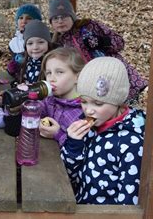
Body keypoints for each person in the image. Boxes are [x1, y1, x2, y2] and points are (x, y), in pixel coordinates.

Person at [60, 57, 146, 205]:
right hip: (79, 207)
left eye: (98, 103)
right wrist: (74, 145)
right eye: (83, 102)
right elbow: (67, 176)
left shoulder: (131, 143)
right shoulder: (89, 126)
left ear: (118, 101)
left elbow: (129, 199)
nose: (89, 110)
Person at [48, 0, 147, 102]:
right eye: (55, 18)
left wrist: (102, 42)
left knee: (123, 108)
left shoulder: (88, 26)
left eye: (64, 17)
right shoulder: (56, 44)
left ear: (72, 17)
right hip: (90, 85)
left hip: (114, 74)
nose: (60, 21)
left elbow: (119, 42)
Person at [38, 47, 85, 146]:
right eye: (49, 73)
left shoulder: (83, 111)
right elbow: (36, 112)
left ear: (77, 77)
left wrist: (57, 134)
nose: (51, 79)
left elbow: (81, 148)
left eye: (59, 72)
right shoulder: (50, 100)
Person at [7, 4, 43, 81]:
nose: (24, 21)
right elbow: (16, 66)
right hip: (21, 82)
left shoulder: (43, 40)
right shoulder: (14, 43)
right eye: (20, 18)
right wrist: (12, 69)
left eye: (29, 18)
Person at [18, 20, 54, 85]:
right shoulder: (26, 63)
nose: (35, 47)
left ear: (48, 44)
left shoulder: (53, 64)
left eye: (41, 42)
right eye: (30, 43)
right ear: (25, 47)